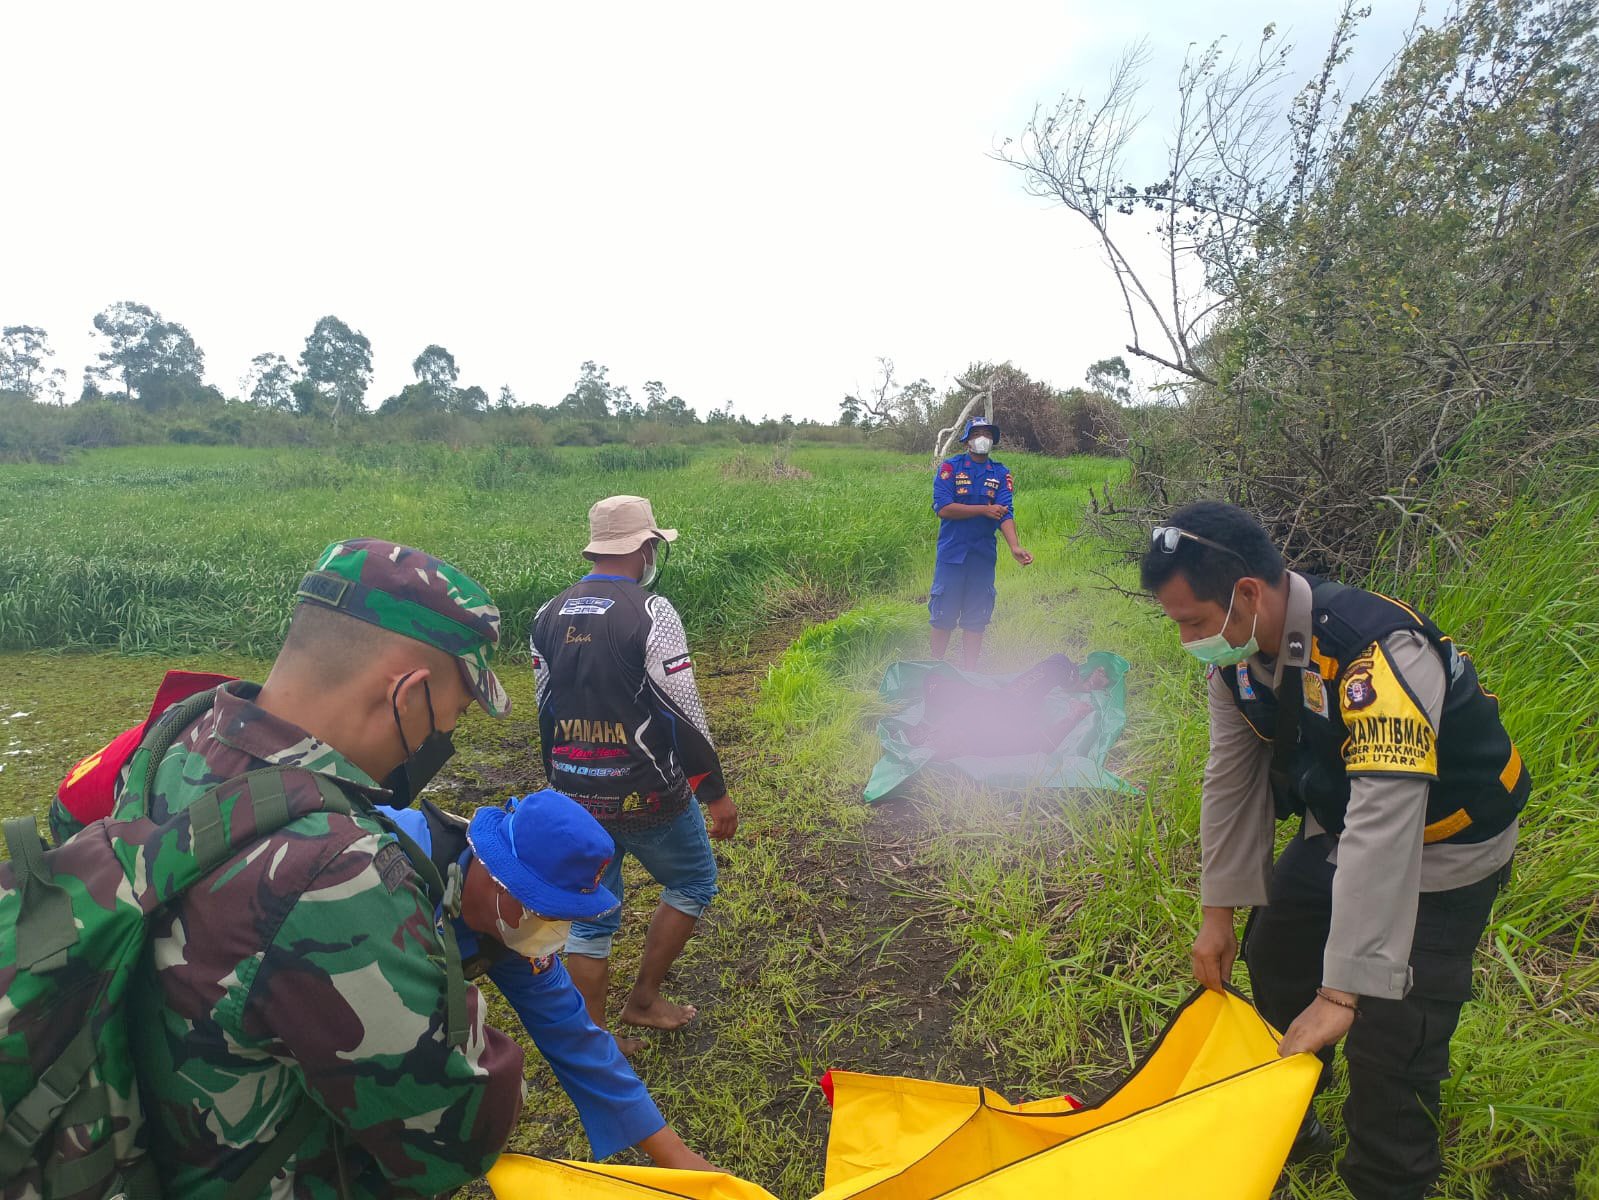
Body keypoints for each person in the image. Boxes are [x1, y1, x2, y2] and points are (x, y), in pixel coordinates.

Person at [1140, 502, 1529, 1200]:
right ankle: (1296, 1117)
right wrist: (1217, 914)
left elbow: (1389, 818)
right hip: (1344, 828)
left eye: (1192, 622)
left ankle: (1387, 1178)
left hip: (1445, 847)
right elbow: (1230, 783)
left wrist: (1343, 989)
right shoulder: (1236, 664)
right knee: (1276, 953)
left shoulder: (1374, 650)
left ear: (1247, 594)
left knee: (1392, 1038)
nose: (1186, 640)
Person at [117, 538, 528, 1199]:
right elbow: (453, 1139)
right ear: (408, 693)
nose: (436, 743)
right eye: (446, 722)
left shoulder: (173, 740)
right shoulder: (336, 868)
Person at [379, 790, 715, 1170]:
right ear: (500, 881)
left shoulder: (513, 930)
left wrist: (679, 1159)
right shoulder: (386, 874)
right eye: (548, 911)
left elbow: (576, 1036)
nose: (555, 932)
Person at [530, 495, 736, 1055]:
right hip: (647, 792)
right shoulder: (652, 613)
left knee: (592, 916)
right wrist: (715, 792)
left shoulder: (547, 614)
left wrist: (564, 785)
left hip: (573, 791)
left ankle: (595, 1040)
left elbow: (545, 707)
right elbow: (681, 709)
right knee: (693, 881)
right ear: (647, 548)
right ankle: (643, 1000)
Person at [930, 417, 1033, 668]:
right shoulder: (950, 469)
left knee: (976, 617)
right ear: (967, 441)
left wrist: (1014, 546)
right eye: (977, 433)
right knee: (943, 614)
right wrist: (982, 511)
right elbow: (943, 508)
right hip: (952, 556)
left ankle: (969, 673)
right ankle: (934, 670)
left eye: (987, 433)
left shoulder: (1000, 473)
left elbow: (1005, 512)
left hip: (982, 557)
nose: (982, 438)